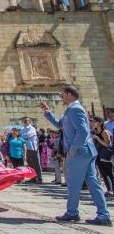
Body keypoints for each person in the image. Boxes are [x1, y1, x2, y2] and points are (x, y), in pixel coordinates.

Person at [40, 85, 112, 226]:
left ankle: (72, 212)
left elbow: (83, 131)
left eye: (63, 94)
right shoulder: (72, 110)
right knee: (93, 183)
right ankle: (103, 215)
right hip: (84, 151)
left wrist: (73, 149)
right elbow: (61, 124)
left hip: (79, 152)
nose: (61, 97)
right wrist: (47, 111)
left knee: (73, 183)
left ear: (69, 94)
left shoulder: (75, 109)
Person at [90, 117, 114, 198]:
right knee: (104, 174)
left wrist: (97, 138)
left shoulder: (105, 132)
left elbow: (108, 144)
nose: (92, 123)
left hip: (106, 155)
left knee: (110, 173)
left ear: (100, 123)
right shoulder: (95, 132)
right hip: (99, 155)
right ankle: (109, 190)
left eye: (94, 121)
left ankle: (111, 190)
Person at [20, 118, 43, 184]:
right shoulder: (23, 128)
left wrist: (22, 136)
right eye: (24, 120)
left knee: (36, 164)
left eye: (26, 120)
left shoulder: (32, 128)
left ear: (29, 121)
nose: (25, 121)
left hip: (32, 148)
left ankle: (39, 178)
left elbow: (27, 135)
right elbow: (21, 135)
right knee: (30, 164)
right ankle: (33, 178)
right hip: (26, 148)